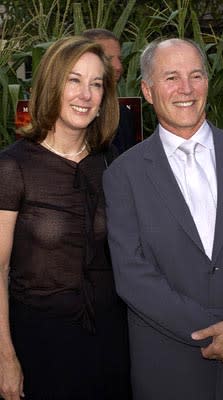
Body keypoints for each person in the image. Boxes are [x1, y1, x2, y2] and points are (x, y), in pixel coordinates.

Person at [103, 37, 223, 400]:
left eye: (196, 76)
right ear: (147, 90)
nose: (186, 89)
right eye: (171, 77)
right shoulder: (122, 174)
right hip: (170, 368)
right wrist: (217, 332)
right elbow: (131, 274)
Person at [0, 35, 131, 400]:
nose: (85, 95)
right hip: (39, 343)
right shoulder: (13, 167)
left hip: (109, 339)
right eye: (74, 80)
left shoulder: (111, 164)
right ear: (51, 84)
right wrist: (5, 358)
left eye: (96, 84)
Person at [81, 28, 137, 153]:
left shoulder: (123, 116)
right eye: (108, 58)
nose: (118, 67)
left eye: (120, 59)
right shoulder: (67, 116)